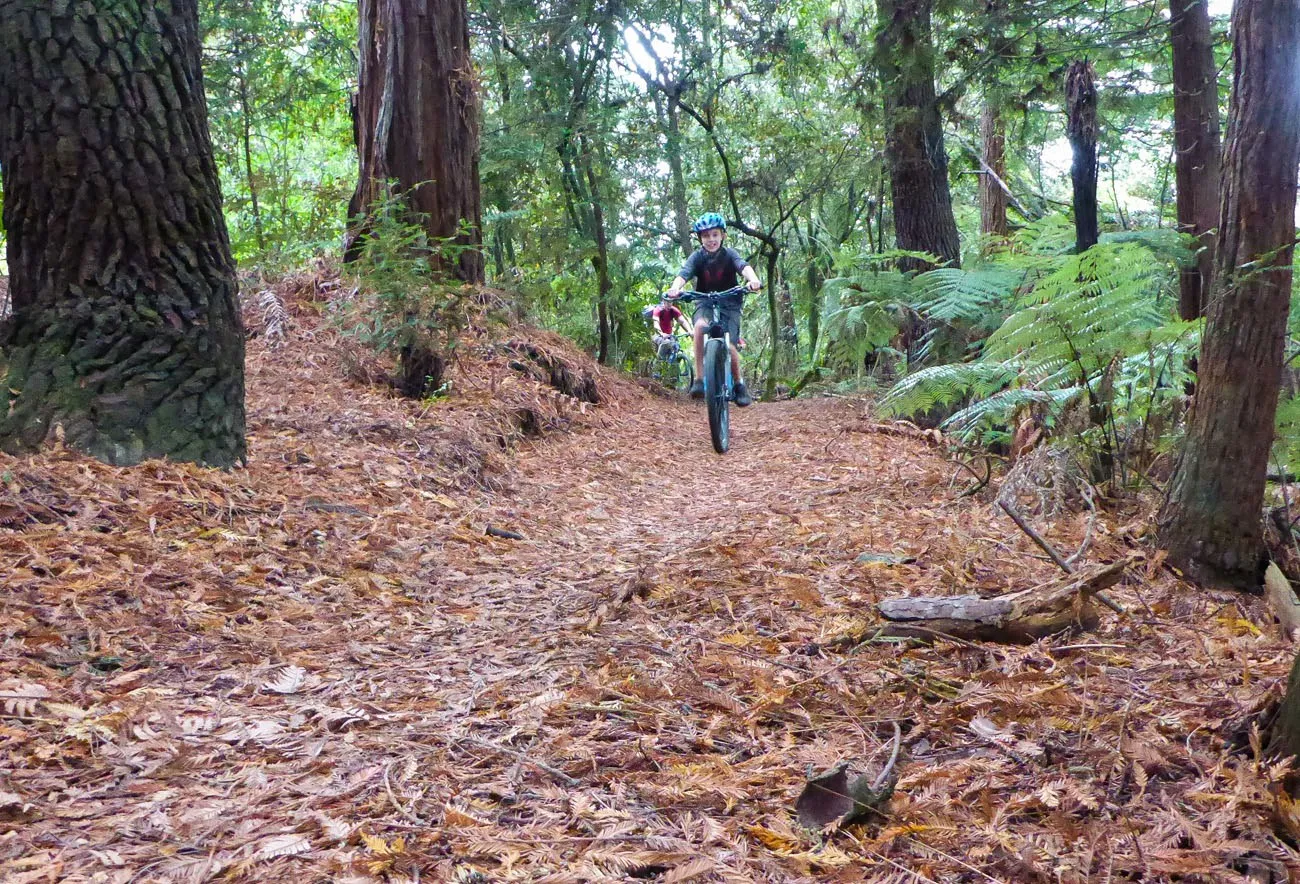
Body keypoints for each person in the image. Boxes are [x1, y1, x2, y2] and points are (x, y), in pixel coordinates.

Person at [665, 213, 762, 406]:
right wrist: (675, 288)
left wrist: (753, 280)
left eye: (715, 235)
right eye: (706, 236)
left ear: (722, 235)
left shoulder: (729, 254)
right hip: (705, 301)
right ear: (700, 238)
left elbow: (743, 266)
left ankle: (738, 384)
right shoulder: (697, 257)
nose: (711, 240)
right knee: (699, 327)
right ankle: (699, 380)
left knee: (730, 344)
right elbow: (684, 274)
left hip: (730, 302)